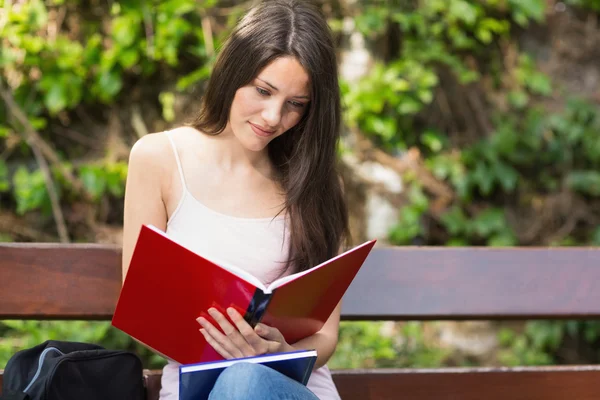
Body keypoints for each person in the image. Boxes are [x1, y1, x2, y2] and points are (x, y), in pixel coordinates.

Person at [121, 0, 349, 398]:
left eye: (296, 104)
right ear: (232, 72)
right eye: (263, 91)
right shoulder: (158, 159)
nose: (273, 117)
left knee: (247, 380)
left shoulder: (316, 183)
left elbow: (325, 335)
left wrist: (279, 351)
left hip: (292, 388)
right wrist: (225, 351)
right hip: (198, 385)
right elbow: (144, 311)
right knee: (238, 380)